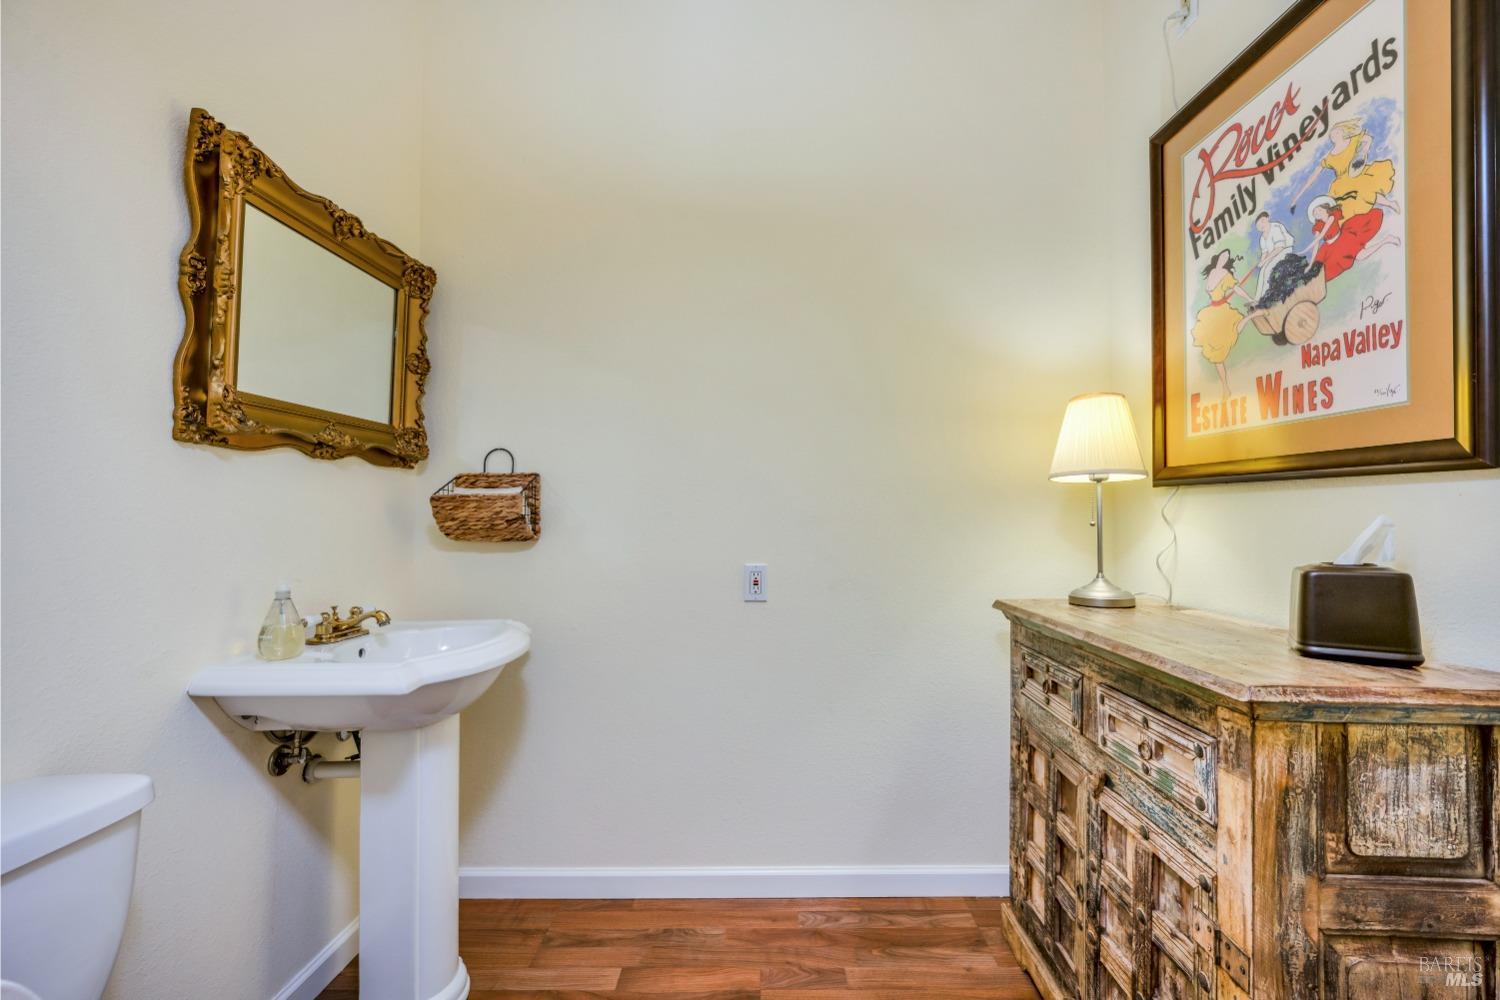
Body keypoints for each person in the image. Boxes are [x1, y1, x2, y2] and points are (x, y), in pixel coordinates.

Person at [1288, 118, 1400, 219]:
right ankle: (1389, 204)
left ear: (1343, 132)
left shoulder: (1353, 140)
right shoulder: (1329, 157)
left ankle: (1390, 204)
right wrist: (1296, 198)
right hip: (1343, 183)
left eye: (1336, 131)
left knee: (1366, 188)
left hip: (1358, 172)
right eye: (1332, 133)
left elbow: (1367, 139)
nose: (1333, 134)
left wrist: (1363, 150)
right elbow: (1313, 177)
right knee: (1344, 205)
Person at [1190, 249, 1254, 398]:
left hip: (1222, 311)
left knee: (1234, 329)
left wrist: (1249, 298)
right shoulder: (1213, 272)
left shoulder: (1226, 274)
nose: (1224, 258)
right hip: (1212, 312)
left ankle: (1252, 316)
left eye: (1226, 257)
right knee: (1216, 356)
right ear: (1218, 257)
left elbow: (1237, 289)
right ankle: (1225, 387)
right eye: (1223, 255)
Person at [1304, 195, 1400, 282]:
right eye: (1315, 213)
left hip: (1343, 239)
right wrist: (1310, 263)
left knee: (1360, 256)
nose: (1317, 213)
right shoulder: (1317, 226)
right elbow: (1316, 244)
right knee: (1318, 271)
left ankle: (1387, 240)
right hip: (1328, 249)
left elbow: (1322, 235)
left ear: (1325, 208)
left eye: (1318, 210)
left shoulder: (1333, 216)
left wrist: (1305, 249)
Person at [1250, 212, 1294, 298]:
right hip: (1274, 254)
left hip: (1285, 250)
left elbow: (1280, 247)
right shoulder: (1262, 238)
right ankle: (1257, 298)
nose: (1261, 225)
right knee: (1262, 270)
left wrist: (1265, 261)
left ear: (1267, 218)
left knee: (1267, 269)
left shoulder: (1275, 227)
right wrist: (1261, 262)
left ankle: (1265, 296)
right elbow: (1265, 253)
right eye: (1258, 226)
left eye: (1262, 221)